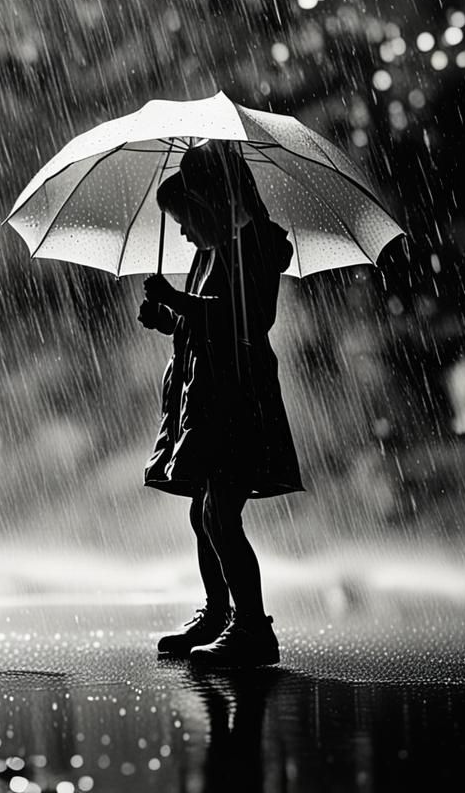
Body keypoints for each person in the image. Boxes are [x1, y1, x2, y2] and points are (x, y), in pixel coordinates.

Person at [139, 141, 303, 666]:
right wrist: (169, 318)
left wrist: (177, 301)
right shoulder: (211, 252)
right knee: (202, 511)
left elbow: (242, 320)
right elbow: (202, 322)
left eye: (187, 218)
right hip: (206, 396)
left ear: (214, 201)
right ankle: (218, 610)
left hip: (237, 399)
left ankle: (253, 626)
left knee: (221, 513)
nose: (184, 232)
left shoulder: (253, 246)